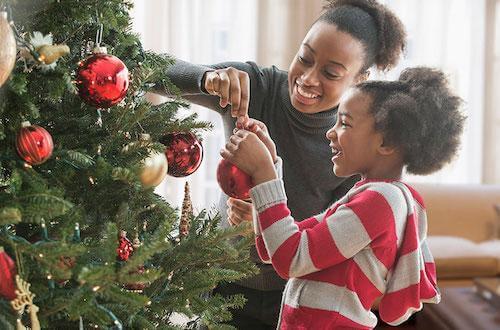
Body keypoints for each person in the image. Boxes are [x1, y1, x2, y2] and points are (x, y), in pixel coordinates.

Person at [155, 1, 407, 327]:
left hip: (297, 297)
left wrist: (265, 217)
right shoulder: (256, 88)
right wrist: (205, 78)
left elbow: (330, 244)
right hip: (222, 285)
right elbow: (151, 72)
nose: (308, 78)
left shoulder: (357, 147)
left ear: (360, 78)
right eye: (304, 58)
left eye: (331, 73)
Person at [221, 67, 465, 329]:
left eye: (345, 123)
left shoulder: (381, 201)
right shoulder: (369, 195)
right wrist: (271, 165)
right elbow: (273, 249)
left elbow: (290, 258)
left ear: (386, 143)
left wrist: (264, 172)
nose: (330, 132)